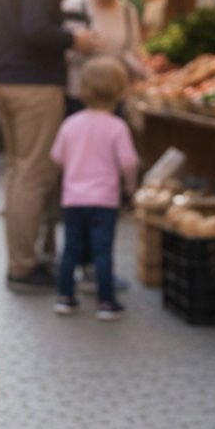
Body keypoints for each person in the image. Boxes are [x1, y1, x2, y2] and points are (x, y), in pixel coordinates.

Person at [0, 0, 101, 292]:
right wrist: (75, 40)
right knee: (33, 174)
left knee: (21, 172)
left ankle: (22, 259)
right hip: (33, 81)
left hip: (7, 76)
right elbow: (36, 27)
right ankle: (23, 265)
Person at [50, 56, 138, 321]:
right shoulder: (117, 127)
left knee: (71, 249)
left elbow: (57, 156)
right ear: (121, 91)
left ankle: (65, 297)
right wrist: (131, 187)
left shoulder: (71, 123)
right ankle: (106, 302)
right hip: (104, 201)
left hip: (73, 199)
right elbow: (129, 162)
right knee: (103, 251)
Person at [62, 0, 145, 115]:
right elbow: (66, 51)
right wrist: (82, 45)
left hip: (115, 99)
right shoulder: (76, 6)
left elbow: (131, 51)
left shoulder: (128, 11)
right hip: (82, 97)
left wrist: (144, 69)